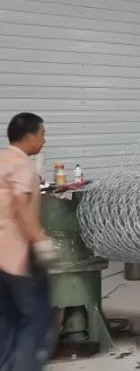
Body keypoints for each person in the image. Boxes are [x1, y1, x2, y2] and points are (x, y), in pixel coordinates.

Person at [0, 112, 58, 370]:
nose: (44, 141)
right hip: (17, 255)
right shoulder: (22, 165)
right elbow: (21, 209)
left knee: (7, 319)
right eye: (42, 135)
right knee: (35, 318)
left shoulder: (2, 160)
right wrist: (40, 241)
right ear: (29, 136)